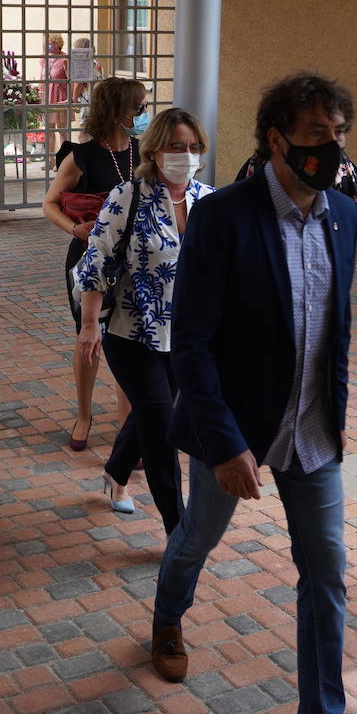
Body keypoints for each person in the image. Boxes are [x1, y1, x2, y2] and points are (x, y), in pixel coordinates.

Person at [149, 74, 357, 714]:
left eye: (340, 133)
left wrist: (338, 410)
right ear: (277, 140)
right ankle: (167, 617)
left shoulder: (344, 216)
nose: (334, 148)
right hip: (234, 429)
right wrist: (223, 442)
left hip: (312, 428)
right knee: (196, 539)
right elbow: (191, 342)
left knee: (326, 572)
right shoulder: (223, 214)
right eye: (318, 135)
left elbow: (334, 329)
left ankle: (322, 709)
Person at [74, 108, 212, 530]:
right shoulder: (127, 195)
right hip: (132, 333)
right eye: (175, 147)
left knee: (151, 414)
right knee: (161, 426)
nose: (184, 155)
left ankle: (115, 473)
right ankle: (179, 528)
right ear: (154, 150)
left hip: (185, 335)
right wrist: (89, 323)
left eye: (192, 148)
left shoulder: (209, 200)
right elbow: (98, 261)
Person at [41, 78, 143, 454]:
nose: (143, 114)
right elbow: (49, 203)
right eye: (138, 108)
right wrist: (77, 229)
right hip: (90, 259)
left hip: (136, 260)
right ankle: (83, 414)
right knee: (90, 338)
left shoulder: (144, 151)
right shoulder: (80, 156)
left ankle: (126, 429)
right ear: (119, 113)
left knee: (128, 341)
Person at [236, 148, 357, 271]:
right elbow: (239, 215)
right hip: (269, 263)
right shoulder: (264, 160)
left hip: (323, 263)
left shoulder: (337, 160)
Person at [44, 34, 70, 155]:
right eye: (48, 43)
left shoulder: (65, 58)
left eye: (52, 43)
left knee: (62, 131)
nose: (49, 46)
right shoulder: (46, 58)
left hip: (60, 97)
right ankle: (49, 160)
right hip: (48, 96)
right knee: (49, 131)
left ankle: (62, 160)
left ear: (58, 44)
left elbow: (71, 80)